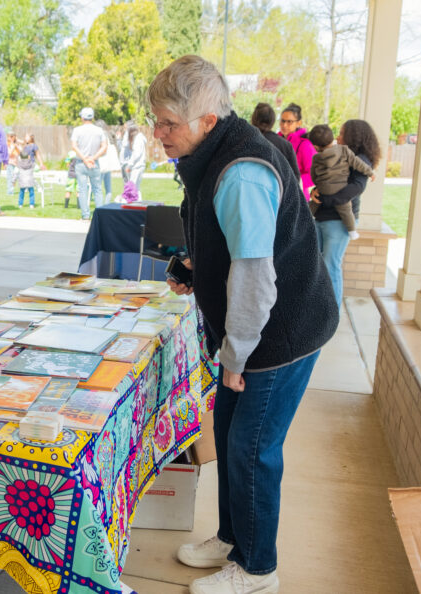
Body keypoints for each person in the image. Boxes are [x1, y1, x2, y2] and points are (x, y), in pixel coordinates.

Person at [147, 55, 338, 594]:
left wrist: (237, 355)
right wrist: (193, 267)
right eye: (155, 121)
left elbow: (255, 279)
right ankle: (233, 538)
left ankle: (258, 570)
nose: (157, 134)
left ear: (207, 121)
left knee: (252, 451)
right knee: (231, 437)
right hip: (259, 329)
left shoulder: (241, 172)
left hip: (278, 335)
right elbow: (229, 245)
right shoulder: (215, 151)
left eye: (168, 123)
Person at [310, 119, 381, 307]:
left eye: (342, 133)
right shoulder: (334, 154)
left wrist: (326, 199)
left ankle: (333, 314)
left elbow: (355, 188)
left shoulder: (360, 160)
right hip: (322, 216)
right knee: (318, 265)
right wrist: (315, 192)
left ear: (353, 136)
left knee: (331, 266)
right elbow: (324, 180)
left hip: (339, 221)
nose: (338, 137)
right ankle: (320, 309)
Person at [308, 123, 376, 241]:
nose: (338, 137)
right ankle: (352, 231)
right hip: (327, 213)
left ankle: (304, 219)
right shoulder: (344, 152)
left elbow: (357, 186)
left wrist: (321, 190)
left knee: (311, 206)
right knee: (345, 209)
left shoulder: (317, 157)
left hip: (335, 219)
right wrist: (370, 172)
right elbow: (359, 165)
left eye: (342, 134)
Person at [70, 107, 107, 220]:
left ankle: (85, 215)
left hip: (81, 163)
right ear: (92, 117)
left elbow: (74, 146)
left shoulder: (77, 130)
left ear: (82, 117)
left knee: (82, 189)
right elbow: (104, 147)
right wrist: (93, 158)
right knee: (97, 189)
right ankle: (99, 215)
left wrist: (85, 159)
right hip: (94, 163)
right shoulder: (99, 130)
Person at [250, 102, 300, 181]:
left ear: (253, 119)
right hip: (278, 191)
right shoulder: (285, 145)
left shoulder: (245, 142)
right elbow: (295, 177)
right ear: (272, 121)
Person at [278, 102, 316, 198]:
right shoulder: (275, 140)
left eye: (289, 121)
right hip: (278, 194)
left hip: (298, 196)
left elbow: (313, 174)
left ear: (299, 123)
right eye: (282, 121)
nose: (284, 125)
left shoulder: (305, 145)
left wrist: (293, 182)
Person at [16, 133, 45, 209]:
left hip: (31, 164)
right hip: (24, 164)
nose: (25, 138)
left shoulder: (34, 146)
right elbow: (22, 151)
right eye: (25, 136)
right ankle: (28, 187)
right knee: (26, 179)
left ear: (31, 138)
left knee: (29, 178)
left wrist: (41, 164)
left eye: (27, 137)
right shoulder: (25, 146)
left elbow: (38, 155)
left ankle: (36, 186)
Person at [97, 119, 121, 202]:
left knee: (98, 187)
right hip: (109, 164)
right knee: (108, 188)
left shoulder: (101, 135)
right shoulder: (110, 134)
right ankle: (106, 205)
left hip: (101, 163)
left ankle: (99, 206)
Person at [121, 122, 147, 198]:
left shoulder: (138, 139)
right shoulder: (139, 138)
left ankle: (134, 203)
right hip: (139, 165)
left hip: (137, 166)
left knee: (132, 187)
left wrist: (130, 164)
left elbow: (137, 153)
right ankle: (138, 204)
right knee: (136, 188)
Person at [6, 130, 22, 195]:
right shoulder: (8, 144)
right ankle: (10, 191)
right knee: (10, 178)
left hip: (17, 163)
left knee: (17, 177)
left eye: (12, 137)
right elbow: (9, 154)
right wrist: (13, 147)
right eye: (10, 136)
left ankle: (24, 188)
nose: (10, 138)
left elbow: (21, 151)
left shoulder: (16, 144)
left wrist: (16, 143)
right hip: (10, 163)